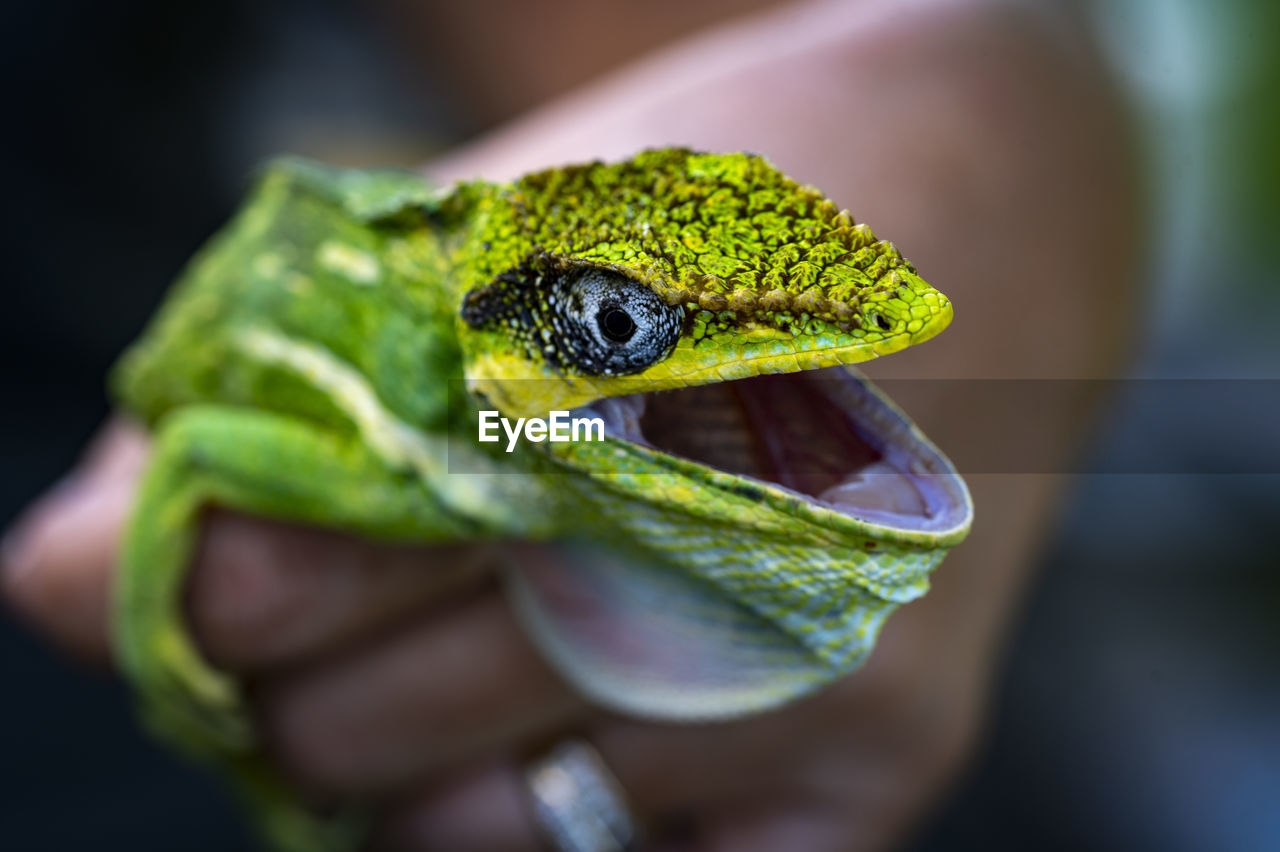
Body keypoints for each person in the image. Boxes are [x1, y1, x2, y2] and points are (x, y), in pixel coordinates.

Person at [0, 1, 1142, 849]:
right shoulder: (389, 468)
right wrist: (166, 652)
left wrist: (1001, 86)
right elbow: (194, 453)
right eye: (607, 322)